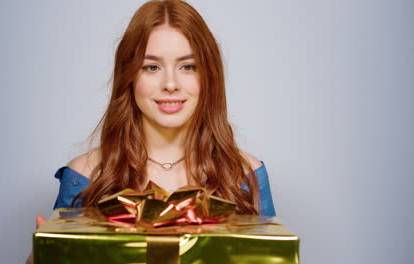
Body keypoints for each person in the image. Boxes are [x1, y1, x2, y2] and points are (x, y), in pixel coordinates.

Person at [27, 0, 275, 262]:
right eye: (151, 67)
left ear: (209, 76)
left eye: (188, 66)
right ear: (130, 76)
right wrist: (43, 255)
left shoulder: (246, 174)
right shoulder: (86, 175)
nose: (170, 84)